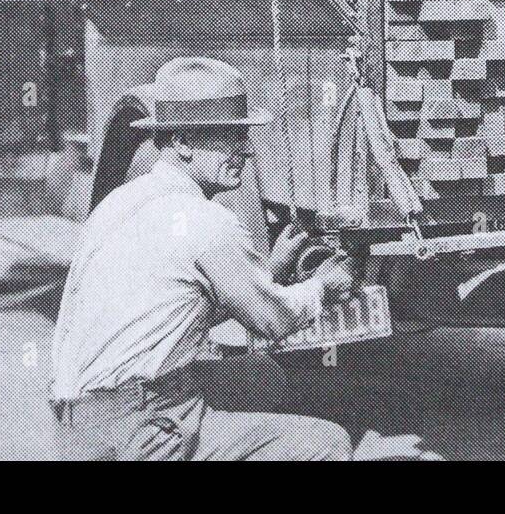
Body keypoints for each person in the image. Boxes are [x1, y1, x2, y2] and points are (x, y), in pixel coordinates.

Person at [50, 56, 356, 460]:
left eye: (243, 136)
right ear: (182, 143)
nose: (245, 151)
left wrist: (267, 272)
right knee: (327, 444)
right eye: (228, 136)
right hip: (140, 430)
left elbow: (169, 310)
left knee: (264, 378)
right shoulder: (205, 221)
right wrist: (321, 287)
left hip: (75, 429)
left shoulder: (121, 202)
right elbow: (274, 322)